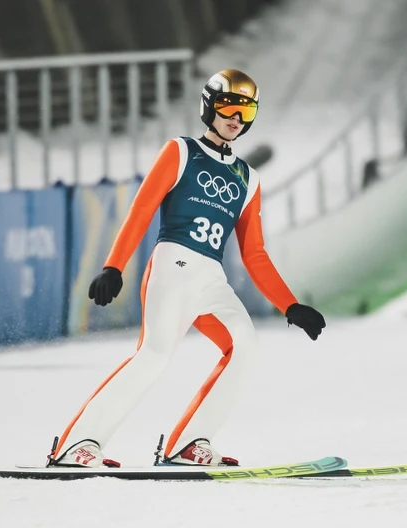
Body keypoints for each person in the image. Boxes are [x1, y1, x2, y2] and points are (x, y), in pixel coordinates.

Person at [46, 69, 326, 468]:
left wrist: (290, 305)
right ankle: (75, 446)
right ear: (210, 106)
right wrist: (114, 265)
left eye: (245, 110)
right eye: (229, 106)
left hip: (211, 279)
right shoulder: (181, 151)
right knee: (155, 354)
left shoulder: (248, 177)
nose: (236, 117)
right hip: (173, 265)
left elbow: (255, 253)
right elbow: (142, 208)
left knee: (244, 346)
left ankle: (189, 445)